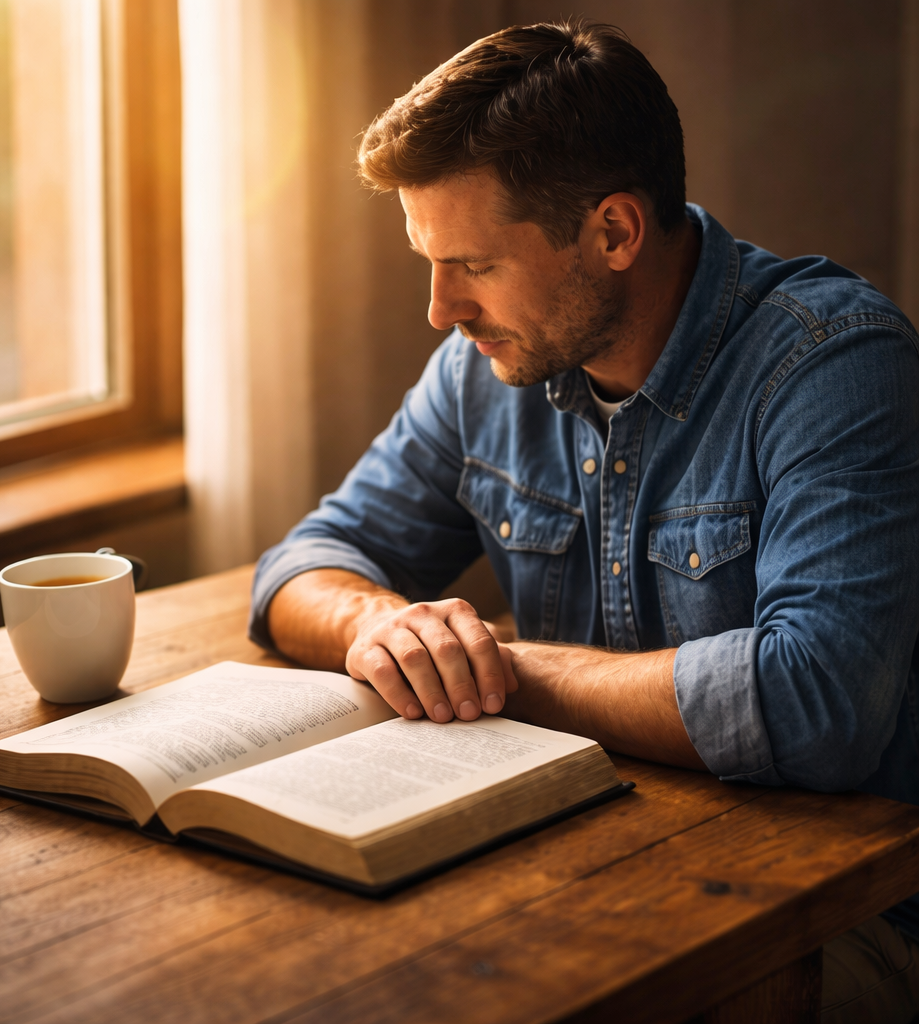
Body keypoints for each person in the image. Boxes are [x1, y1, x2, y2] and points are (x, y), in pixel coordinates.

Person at [248, 21, 919, 1022]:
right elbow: (301, 565)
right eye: (428, 261)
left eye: (469, 263)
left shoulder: (834, 365)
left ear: (612, 233)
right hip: (583, 864)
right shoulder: (485, 370)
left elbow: (814, 704)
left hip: (835, 918)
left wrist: (494, 668)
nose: (438, 310)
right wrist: (381, 628)